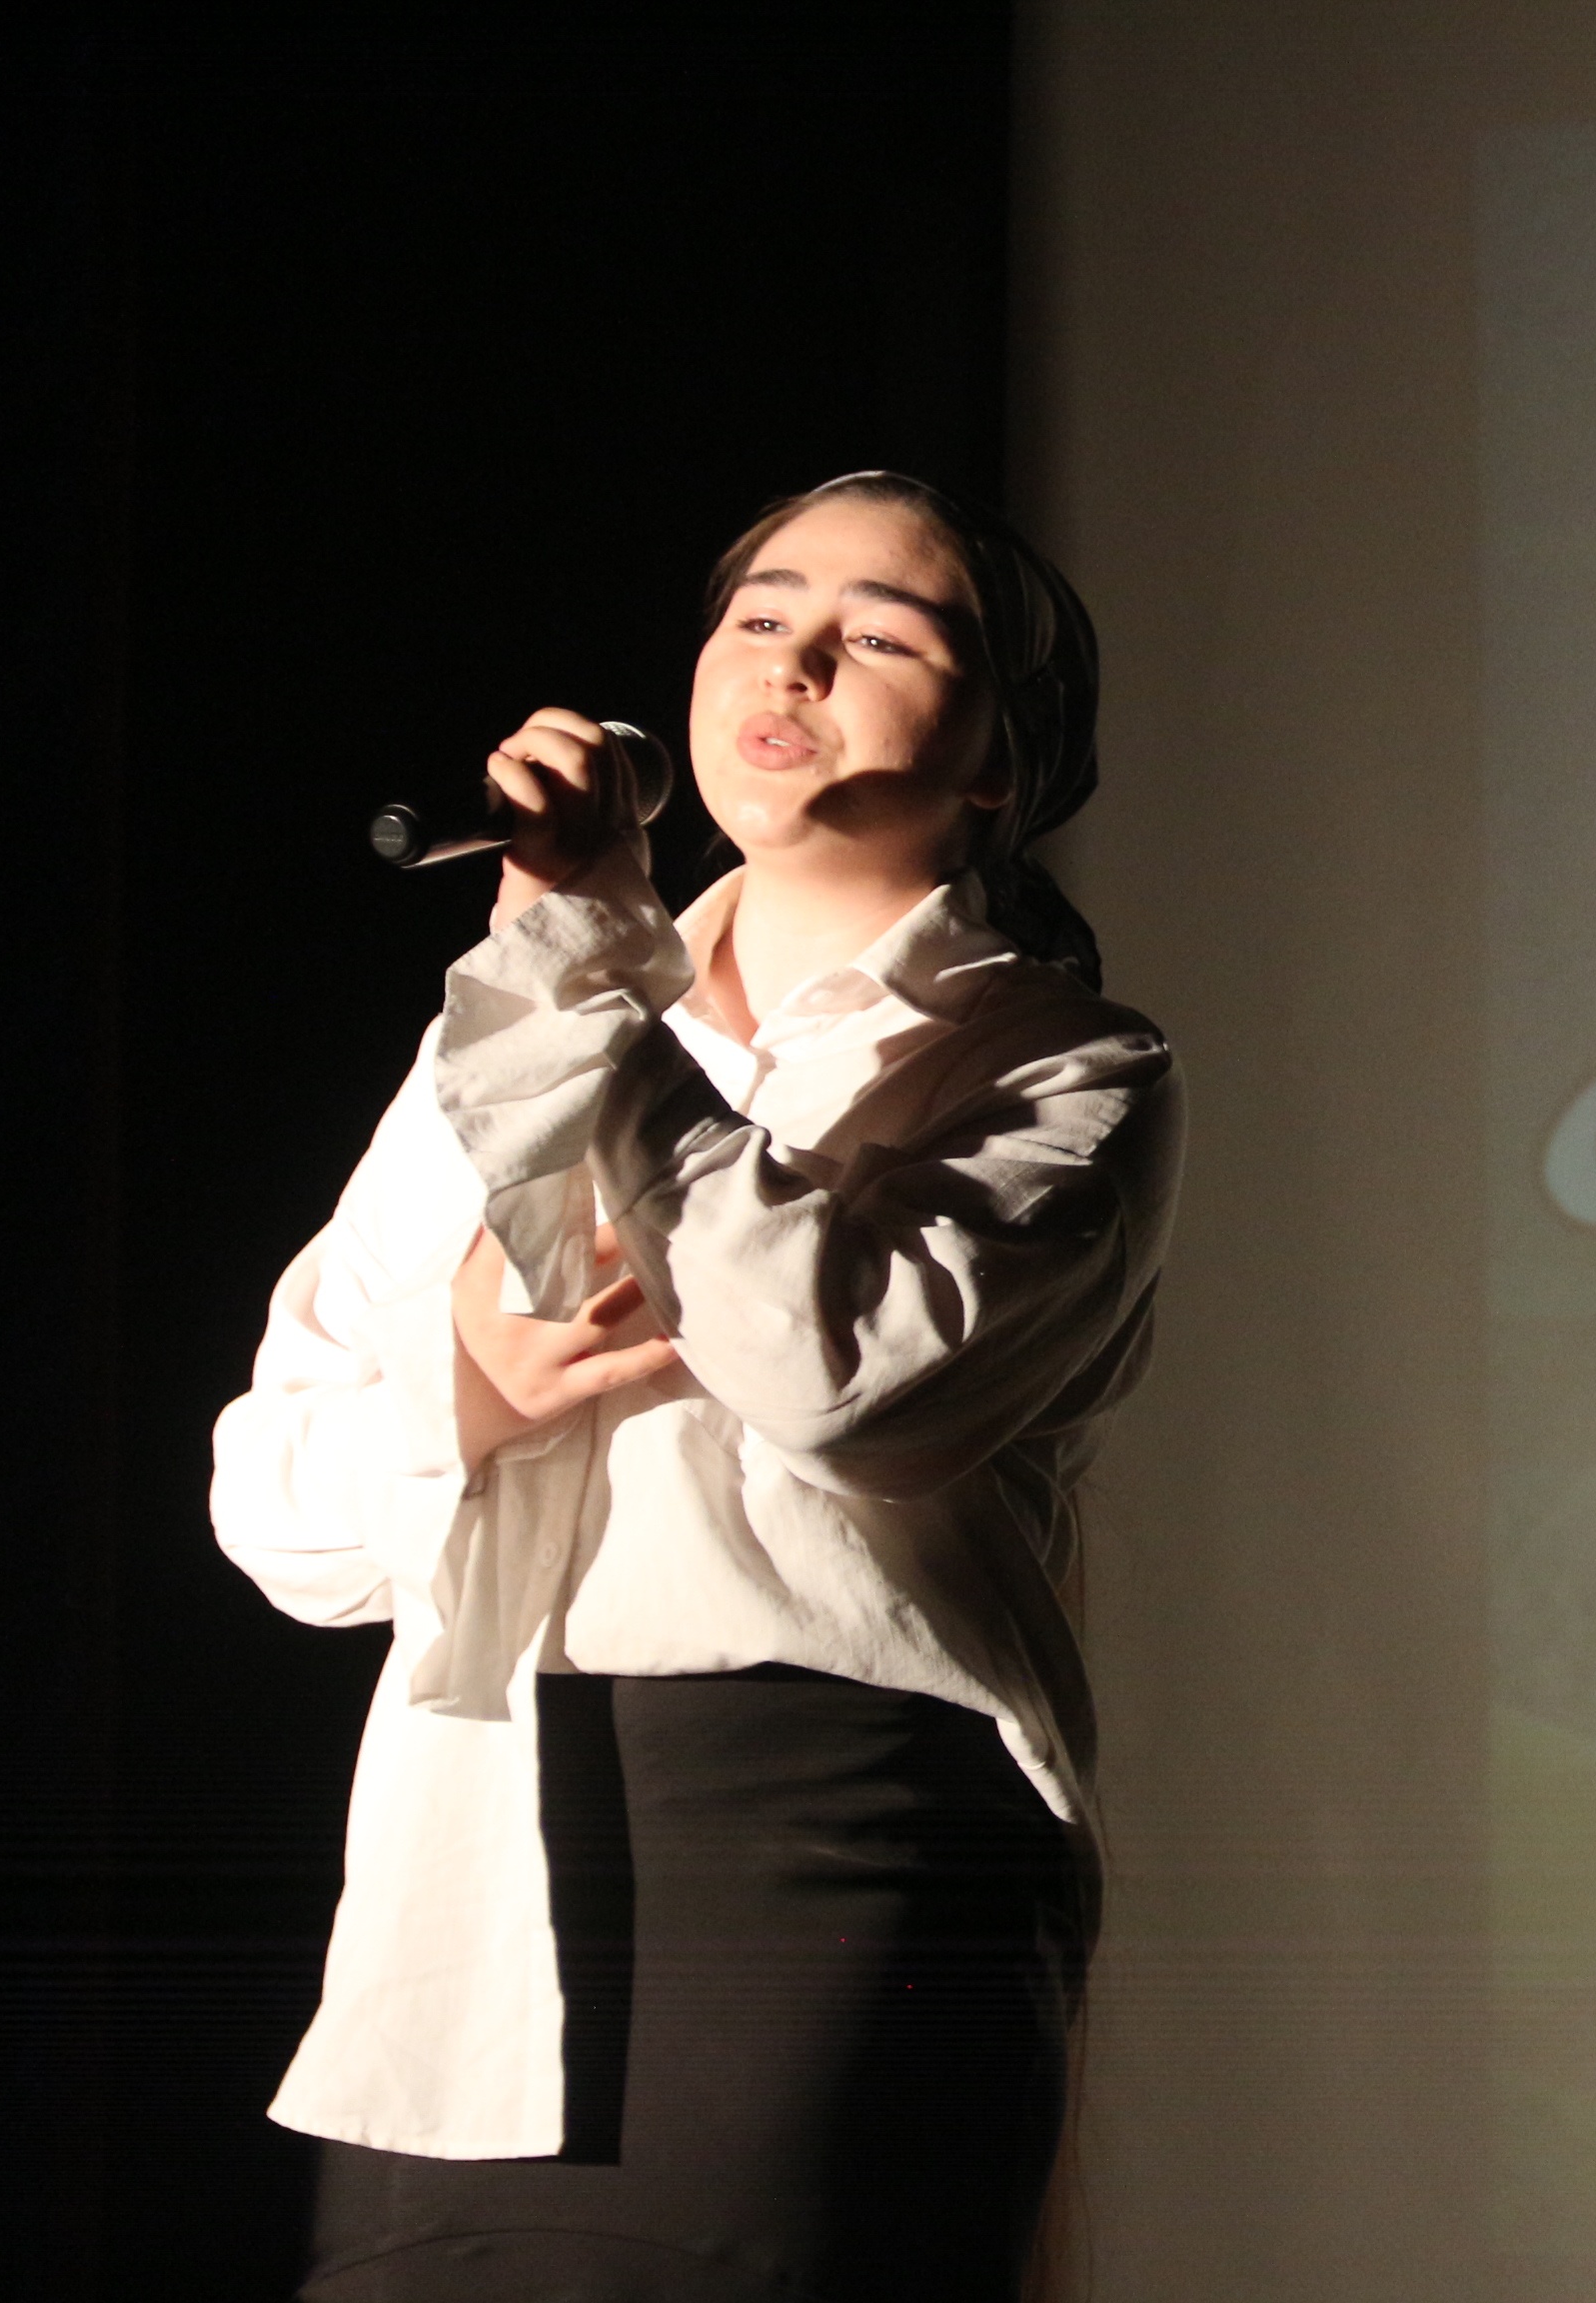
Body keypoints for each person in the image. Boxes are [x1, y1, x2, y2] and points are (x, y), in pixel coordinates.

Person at [211, 472, 1182, 2303]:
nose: (796, 661)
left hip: (824, 1833)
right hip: (471, 1845)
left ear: (1001, 760)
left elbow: (846, 1381)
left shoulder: (1062, 1063)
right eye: (762, 615)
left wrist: (588, 983)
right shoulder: (494, 1040)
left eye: (882, 636)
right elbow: (271, 1510)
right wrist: (465, 1402)